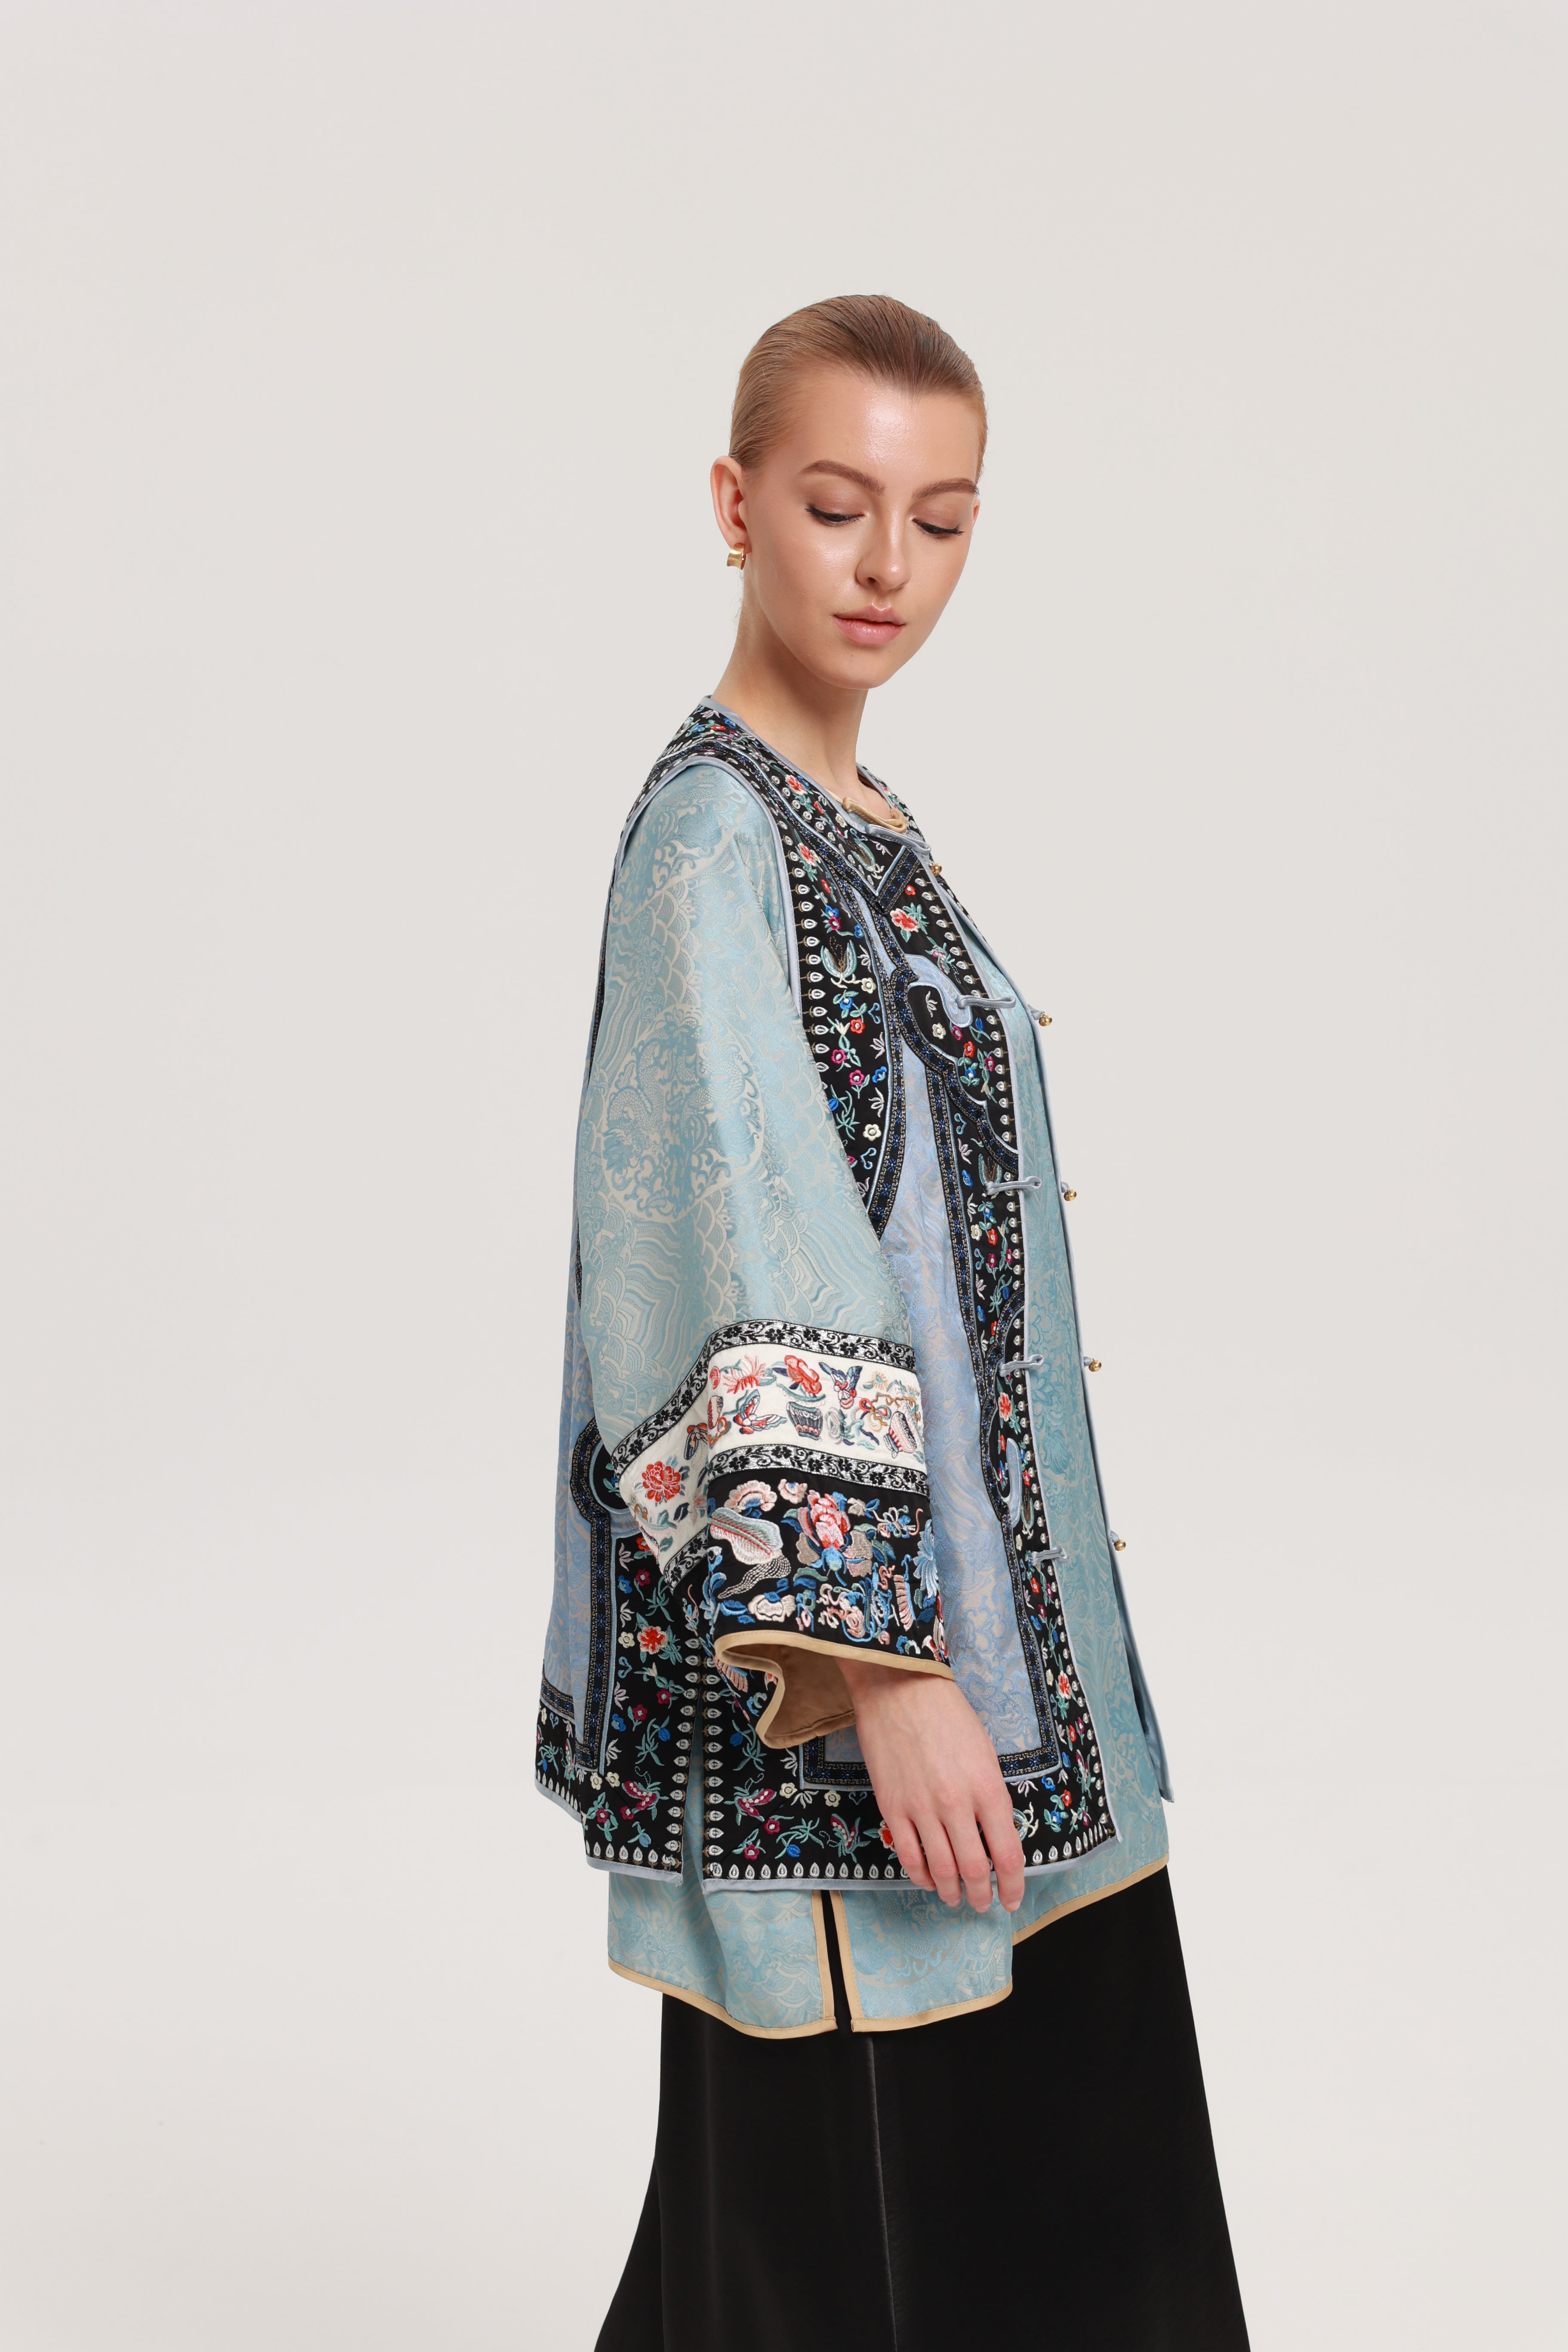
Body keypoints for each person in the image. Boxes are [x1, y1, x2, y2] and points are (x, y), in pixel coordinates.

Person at [536, 294, 1249, 2351]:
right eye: (838, 506)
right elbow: (739, 1253)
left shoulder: (870, 828)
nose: (886, 568)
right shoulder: (715, 839)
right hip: (864, 1707)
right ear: (734, 503)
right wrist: (881, 1668)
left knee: (1035, 2218)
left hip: (1022, 1692)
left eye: (940, 522)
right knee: (849, 2254)